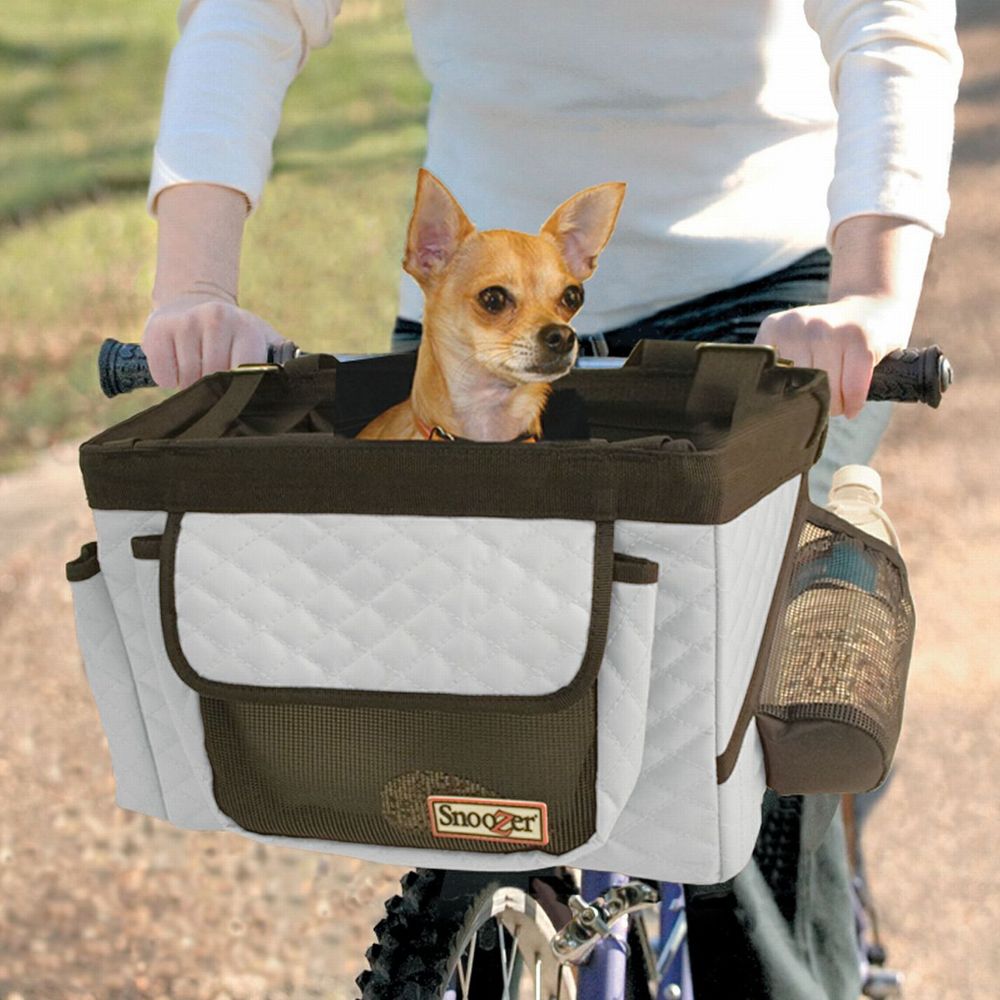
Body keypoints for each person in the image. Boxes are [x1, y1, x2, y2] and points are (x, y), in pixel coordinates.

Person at [141, 2, 963, 996]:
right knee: (466, 692)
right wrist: (192, 287)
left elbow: (886, 23)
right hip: (480, 304)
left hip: (762, 294)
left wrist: (871, 291)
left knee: (741, 709)